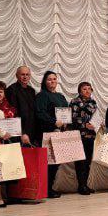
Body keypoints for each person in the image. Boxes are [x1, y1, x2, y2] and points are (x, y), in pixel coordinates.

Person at [35, 71, 68, 199]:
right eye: (49, 79)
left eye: (54, 79)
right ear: (44, 81)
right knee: (48, 162)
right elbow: (40, 113)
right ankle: (46, 189)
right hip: (47, 133)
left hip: (59, 133)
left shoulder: (61, 96)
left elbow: (66, 112)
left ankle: (50, 187)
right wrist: (54, 122)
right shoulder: (42, 96)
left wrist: (65, 123)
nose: (52, 81)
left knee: (56, 161)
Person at [69, 82, 97, 196]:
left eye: (89, 89)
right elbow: (71, 119)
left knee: (88, 162)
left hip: (91, 136)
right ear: (80, 91)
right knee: (80, 162)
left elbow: (95, 118)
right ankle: (81, 186)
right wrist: (84, 125)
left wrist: (97, 125)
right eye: (84, 89)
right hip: (79, 135)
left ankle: (85, 184)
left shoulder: (93, 102)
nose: (87, 91)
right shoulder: (74, 102)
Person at [6, 66, 37, 146]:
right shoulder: (11, 90)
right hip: (18, 133)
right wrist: (22, 133)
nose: (25, 77)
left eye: (27, 74)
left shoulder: (32, 91)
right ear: (17, 75)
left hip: (32, 131)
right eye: (22, 74)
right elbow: (12, 114)